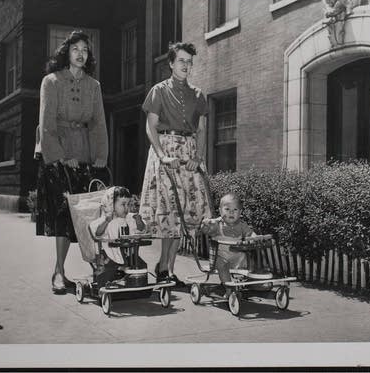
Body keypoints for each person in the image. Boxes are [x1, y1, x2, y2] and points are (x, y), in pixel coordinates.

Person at [34, 30, 108, 294]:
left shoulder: (94, 86)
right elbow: (47, 124)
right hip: (57, 156)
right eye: (75, 48)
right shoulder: (51, 82)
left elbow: (98, 123)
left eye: (85, 50)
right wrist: (62, 157)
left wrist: (100, 156)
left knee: (92, 213)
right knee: (63, 216)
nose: (80, 53)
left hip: (85, 153)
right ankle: (59, 272)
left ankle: (99, 270)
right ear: (66, 52)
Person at [138, 41, 213, 285]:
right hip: (166, 154)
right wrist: (161, 155)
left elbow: (202, 130)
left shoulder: (198, 95)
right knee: (168, 215)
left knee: (182, 217)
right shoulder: (158, 91)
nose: (186, 66)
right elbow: (151, 127)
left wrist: (198, 158)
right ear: (171, 63)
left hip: (188, 156)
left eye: (189, 62)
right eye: (181, 60)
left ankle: (166, 270)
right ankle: (164, 268)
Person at [199, 194, 273, 297]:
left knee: (252, 262)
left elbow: (251, 235)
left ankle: (255, 282)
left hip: (238, 258)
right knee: (221, 264)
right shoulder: (217, 225)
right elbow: (205, 230)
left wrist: (256, 238)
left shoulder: (242, 225)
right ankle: (229, 288)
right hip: (221, 257)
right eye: (227, 209)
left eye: (235, 209)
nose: (231, 212)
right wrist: (205, 225)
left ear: (240, 213)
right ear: (220, 211)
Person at [89, 187, 147, 285]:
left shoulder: (130, 218)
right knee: (106, 272)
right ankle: (104, 285)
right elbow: (97, 233)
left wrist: (138, 221)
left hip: (129, 256)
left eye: (128, 204)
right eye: (123, 204)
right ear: (111, 205)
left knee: (141, 265)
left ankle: (138, 285)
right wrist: (106, 222)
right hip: (111, 256)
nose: (126, 208)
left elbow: (141, 229)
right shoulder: (106, 220)